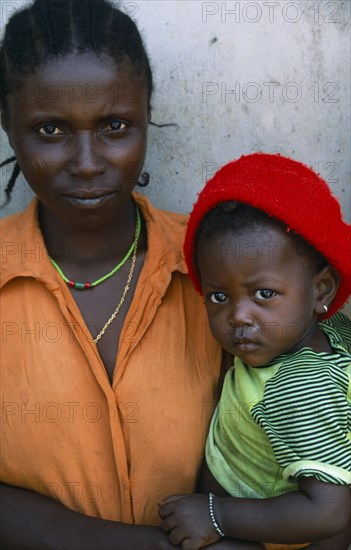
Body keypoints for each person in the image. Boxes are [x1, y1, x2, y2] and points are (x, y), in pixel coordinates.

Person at [0, 1, 259, 548]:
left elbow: (312, 442)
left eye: (115, 125)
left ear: (146, 116)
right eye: (50, 129)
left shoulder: (219, 269)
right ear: (8, 127)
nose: (89, 162)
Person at [159, 153, 351, 550]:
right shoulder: (323, 333)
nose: (238, 316)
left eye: (264, 294)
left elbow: (328, 513)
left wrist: (216, 514)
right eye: (218, 296)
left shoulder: (299, 387)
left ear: (322, 290)